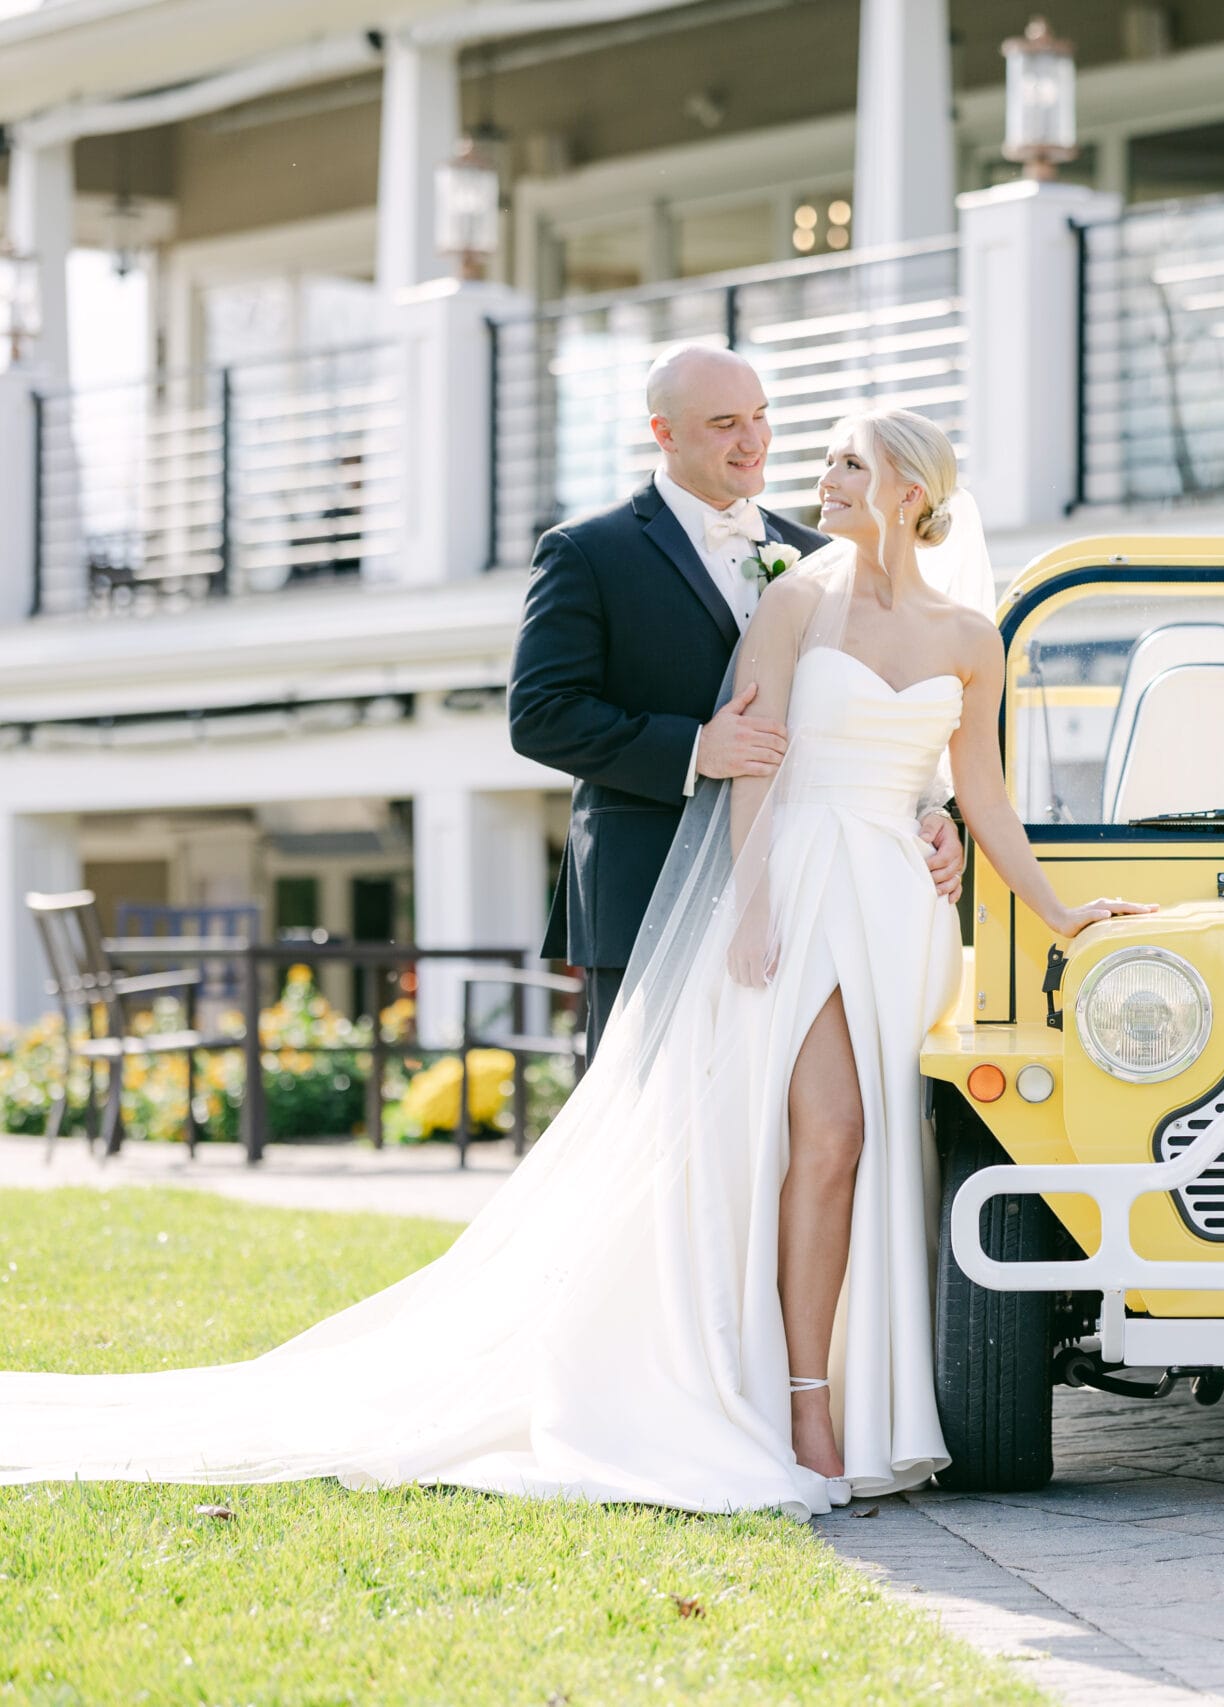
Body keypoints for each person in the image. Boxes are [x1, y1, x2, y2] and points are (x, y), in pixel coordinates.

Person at [0, 408, 1150, 1516]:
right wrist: (748, 906)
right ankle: (804, 1408)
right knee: (827, 1137)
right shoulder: (797, 602)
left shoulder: (968, 635)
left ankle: (870, 1397)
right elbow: (752, 764)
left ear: (908, 487)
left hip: (900, 910)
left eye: (847, 463)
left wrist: (1052, 910)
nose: (820, 477)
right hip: (798, 886)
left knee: (881, 1148)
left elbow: (979, 791)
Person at [507, 344, 966, 1061]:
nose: (753, 441)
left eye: (760, 416)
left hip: (800, 900)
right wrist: (695, 748)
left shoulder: (822, 550)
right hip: (645, 891)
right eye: (725, 423)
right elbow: (539, 713)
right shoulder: (587, 552)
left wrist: (932, 808)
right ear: (665, 433)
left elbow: (870, 706)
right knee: (646, 1133)